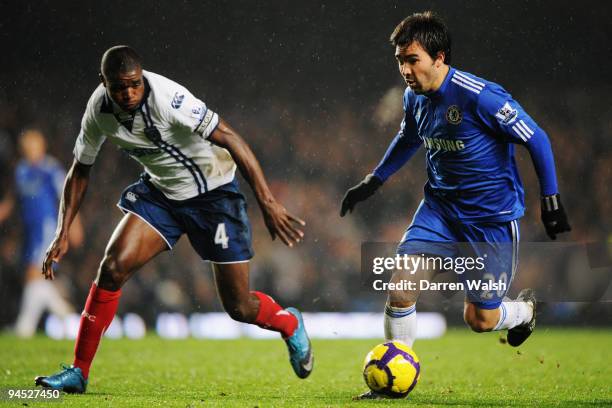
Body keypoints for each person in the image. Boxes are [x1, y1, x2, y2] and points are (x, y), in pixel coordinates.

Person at [35, 45, 313, 394]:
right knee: (112, 267)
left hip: (215, 197)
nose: (129, 93)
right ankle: (78, 371)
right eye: (119, 86)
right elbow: (80, 170)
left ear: (142, 77)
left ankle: (288, 322)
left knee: (239, 307)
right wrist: (62, 230)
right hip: (163, 195)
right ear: (103, 83)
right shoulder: (98, 110)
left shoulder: (169, 98)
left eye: (134, 84)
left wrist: (268, 202)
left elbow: (230, 137)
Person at [340, 12, 570, 398]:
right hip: (440, 211)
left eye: (412, 59)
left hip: (489, 221)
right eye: (400, 61)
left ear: (439, 57)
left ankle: (524, 312)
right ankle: (394, 384)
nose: (405, 70)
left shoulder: (480, 96)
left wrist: (551, 199)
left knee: (479, 319)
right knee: (400, 286)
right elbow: (409, 139)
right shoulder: (413, 98)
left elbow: (537, 138)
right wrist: (373, 180)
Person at [10, 129, 83, 337]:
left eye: (33, 147)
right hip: (30, 232)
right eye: (26, 148)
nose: (30, 151)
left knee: (35, 274)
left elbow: (66, 196)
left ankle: (24, 329)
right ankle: (69, 318)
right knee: (36, 280)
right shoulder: (21, 170)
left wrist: (74, 225)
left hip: (47, 228)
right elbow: (14, 199)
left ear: (42, 147)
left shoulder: (50, 169)